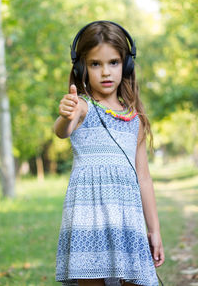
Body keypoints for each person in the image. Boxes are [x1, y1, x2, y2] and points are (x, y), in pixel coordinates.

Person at [54, 21, 165, 286]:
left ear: (126, 65)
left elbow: (144, 178)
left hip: (127, 217)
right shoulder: (82, 106)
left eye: (113, 62)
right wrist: (65, 114)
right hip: (87, 218)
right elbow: (62, 131)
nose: (106, 72)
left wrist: (155, 229)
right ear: (81, 67)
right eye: (95, 64)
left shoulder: (134, 119)